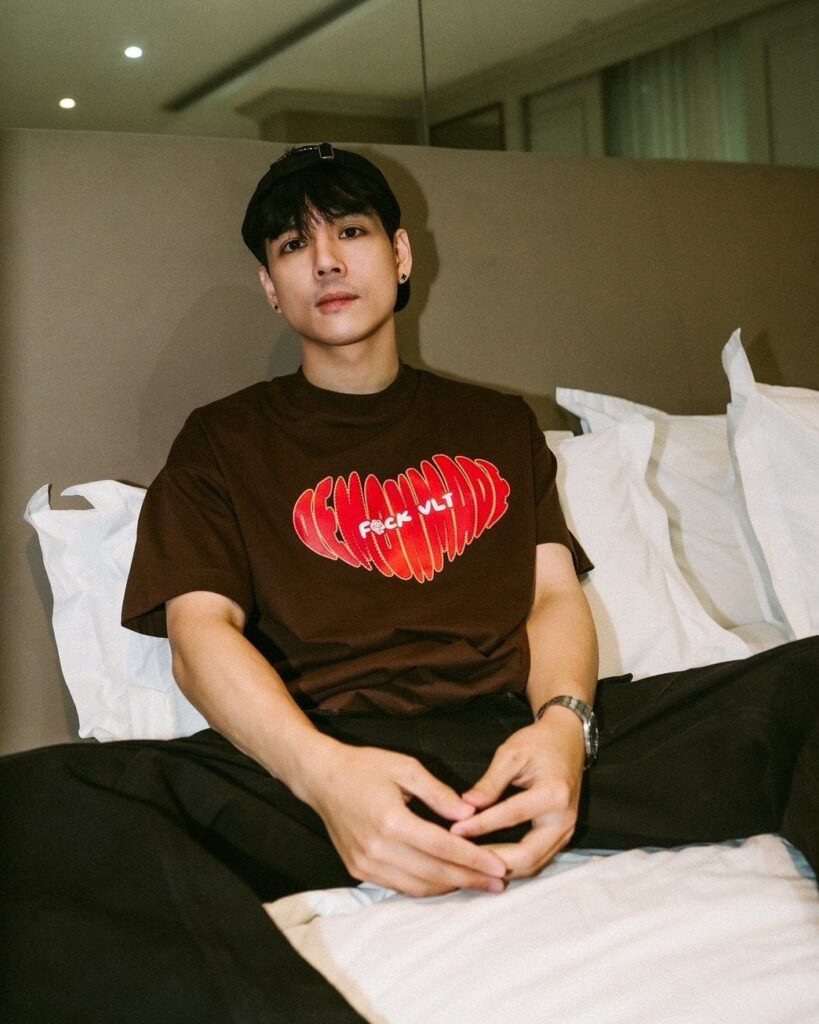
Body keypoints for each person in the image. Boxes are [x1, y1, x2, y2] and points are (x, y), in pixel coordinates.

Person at [0, 143, 816, 1024]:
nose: (325, 260)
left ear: (399, 255)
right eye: (292, 245)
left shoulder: (494, 422)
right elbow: (201, 638)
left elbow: (551, 598)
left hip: (512, 744)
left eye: (349, 232)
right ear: (271, 286)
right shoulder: (221, 442)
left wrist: (562, 730)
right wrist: (324, 778)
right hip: (322, 765)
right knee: (32, 807)